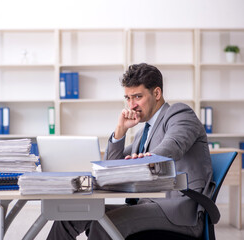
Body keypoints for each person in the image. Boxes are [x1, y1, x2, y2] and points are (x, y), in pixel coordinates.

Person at [47, 63, 213, 239]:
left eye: (137, 97)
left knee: (104, 224)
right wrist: (120, 130)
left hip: (179, 211)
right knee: (68, 216)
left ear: (156, 93)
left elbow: (173, 146)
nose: (131, 105)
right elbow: (111, 166)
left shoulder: (179, 113)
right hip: (146, 205)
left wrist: (147, 159)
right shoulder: (143, 132)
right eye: (127, 98)